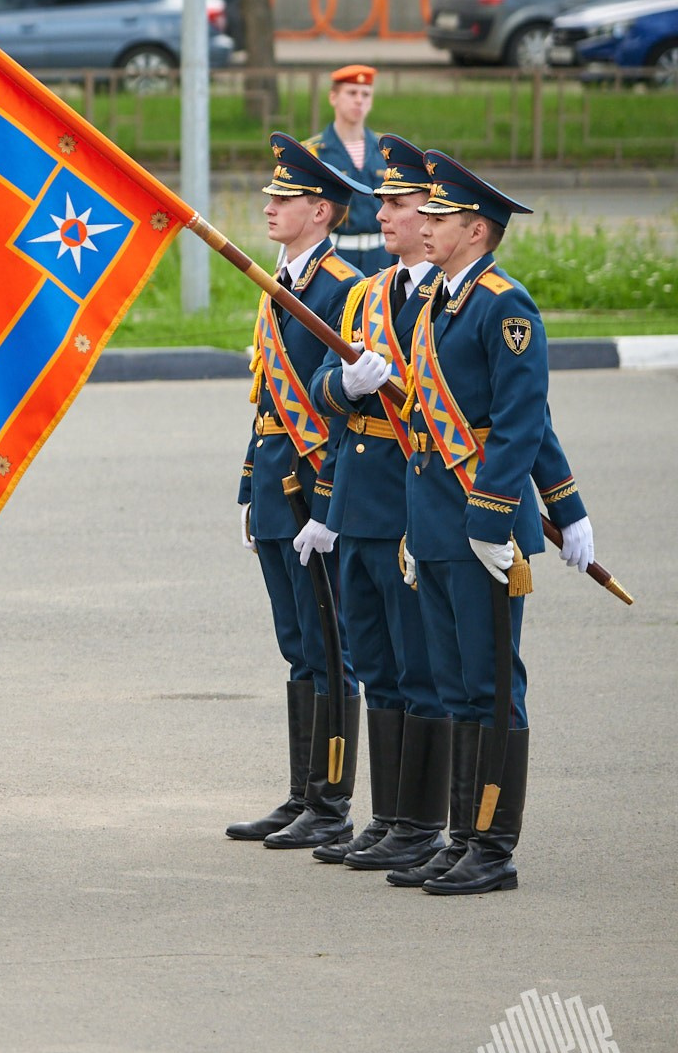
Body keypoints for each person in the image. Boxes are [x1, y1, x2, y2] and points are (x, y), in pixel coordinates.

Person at [382, 151, 597, 895]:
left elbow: (521, 420)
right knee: (454, 686)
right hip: (437, 526)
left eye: (439, 218)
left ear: (476, 228)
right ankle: (464, 833)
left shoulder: (505, 305)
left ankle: (494, 846)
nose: (426, 226)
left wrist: (546, 510)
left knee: (492, 684)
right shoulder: (439, 301)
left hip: (484, 530)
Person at [298, 133, 440, 869]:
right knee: (376, 664)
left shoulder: (443, 303)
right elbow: (324, 387)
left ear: (434, 213)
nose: (382, 213)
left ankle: (421, 821)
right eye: (380, 202)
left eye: (398, 203)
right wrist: (345, 385)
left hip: (409, 510)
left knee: (418, 668)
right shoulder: (365, 295)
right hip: (356, 506)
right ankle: (388, 816)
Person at [225, 132, 369, 852]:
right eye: (270, 196)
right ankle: (301, 793)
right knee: (297, 645)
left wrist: (335, 504)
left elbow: (348, 409)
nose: (270, 207)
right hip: (279, 489)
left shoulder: (341, 287)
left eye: (284, 199)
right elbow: (266, 400)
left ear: (321, 210)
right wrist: (251, 487)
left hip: (317, 489)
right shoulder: (281, 283)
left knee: (330, 645)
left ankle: (333, 802)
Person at [306, 64, 392, 275]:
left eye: (365, 94)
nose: (359, 100)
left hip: (382, 254)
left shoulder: (387, 150)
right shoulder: (313, 153)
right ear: (333, 97)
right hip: (336, 254)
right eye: (352, 93)